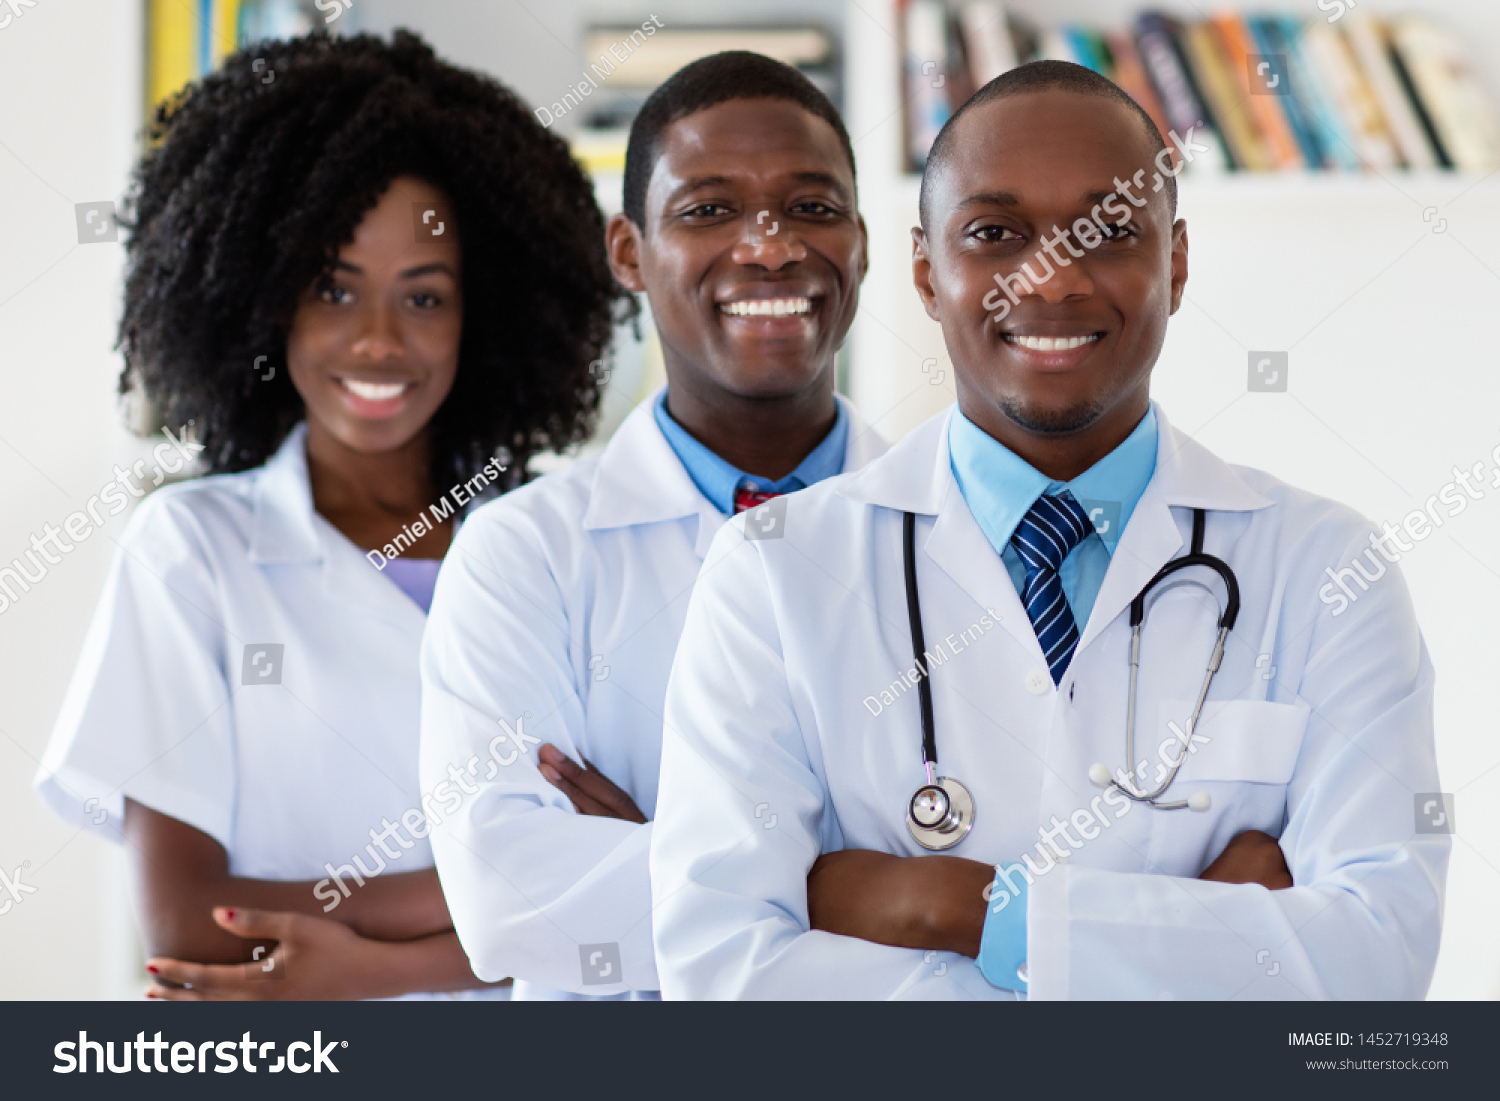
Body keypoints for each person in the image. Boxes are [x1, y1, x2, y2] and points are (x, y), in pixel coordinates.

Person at [649, 61, 1447, 1000]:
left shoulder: (1325, 567)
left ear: (1176, 263)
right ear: (925, 272)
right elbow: (723, 973)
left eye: (1108, 231)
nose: (1053, 278)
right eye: (995, 233)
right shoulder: (773, 573)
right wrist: (1190, 940)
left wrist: (957, 908)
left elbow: (1376, 960)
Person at [34, 31, 624, 1000]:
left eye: (423, 296)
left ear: (487, 312)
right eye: (334, 289)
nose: (379, 342)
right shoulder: (194, 552)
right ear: (266, 302)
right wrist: (494, 889)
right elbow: (188, 922)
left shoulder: (565, 541)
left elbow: (643, 882)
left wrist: (362, 958)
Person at [418, 51, 887, 999]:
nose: (768, 248)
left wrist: (667, 850)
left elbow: (1029, 876)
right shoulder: (524, 555)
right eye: (709, 210)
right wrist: (894, 890)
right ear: (628, 250)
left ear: (864, 242)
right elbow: (514, 908)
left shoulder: (964, 532)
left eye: (812, 207)